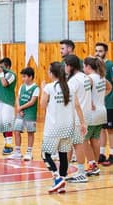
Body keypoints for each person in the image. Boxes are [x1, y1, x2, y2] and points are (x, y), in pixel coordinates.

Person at [40, 62, 86, 193]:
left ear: (52, 73)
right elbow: (77, 105)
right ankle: (63, 181)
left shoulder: (49, 87)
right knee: (63, 154)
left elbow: (42, 105)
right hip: (68, 126)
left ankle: (57, 178)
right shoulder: (70, 86)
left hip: (54, 127)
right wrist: (83, 123)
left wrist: (43, 88)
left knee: (45, 154)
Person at [64, 55, 92, 183]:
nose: (64, 67)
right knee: (71, 144)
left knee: (77, 145)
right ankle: (65, 171)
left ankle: (81, 173)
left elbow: (74, 103)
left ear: (70, 66)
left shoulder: (73, 81)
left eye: (65, 65)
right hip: (84, 115)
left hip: (77, 117)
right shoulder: (85, 77)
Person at [83, 57, 112, 176]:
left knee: (82, 140)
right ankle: (94, 166)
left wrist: (90, 102)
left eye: (83, 66)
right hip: (102, 112)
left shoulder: (89, 78)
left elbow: (85, 93)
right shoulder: (102, 77)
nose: (83, 68)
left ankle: (91, 164)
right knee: (94, 139)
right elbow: (110, 88)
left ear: (88, 67)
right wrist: (100, 98)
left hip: (92, 114)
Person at [95, 42, 113, 166]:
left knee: (110, 129)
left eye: (100, 51)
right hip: (99, 104)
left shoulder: (111, 66)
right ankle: (102, 154)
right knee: (101, 129)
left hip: (109, 103)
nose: (97, 53)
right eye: (96, 51)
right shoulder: (96, 67)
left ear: (105, 52)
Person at [7, 67, 38, 161]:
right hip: (21, 113)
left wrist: (20, 108)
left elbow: (32, 102)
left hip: (30, 114)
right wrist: (18, 108)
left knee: (30, 132)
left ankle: (29, 152)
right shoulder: (22, 86)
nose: (23, 78)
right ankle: (17, 152)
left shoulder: (36, 88)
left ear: (30, 77)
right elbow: (18, 98)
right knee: (16, 131)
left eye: (24, 77)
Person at [0, 57, 16, 155]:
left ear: (7, 66)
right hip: (0, 102)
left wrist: (1, 73)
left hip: (8, 103)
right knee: (2, 124)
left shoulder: (11, 74)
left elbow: (4, 84)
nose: (0, 68)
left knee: (8, 122)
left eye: (2, 67)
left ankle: (9, 145)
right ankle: (6, 144)